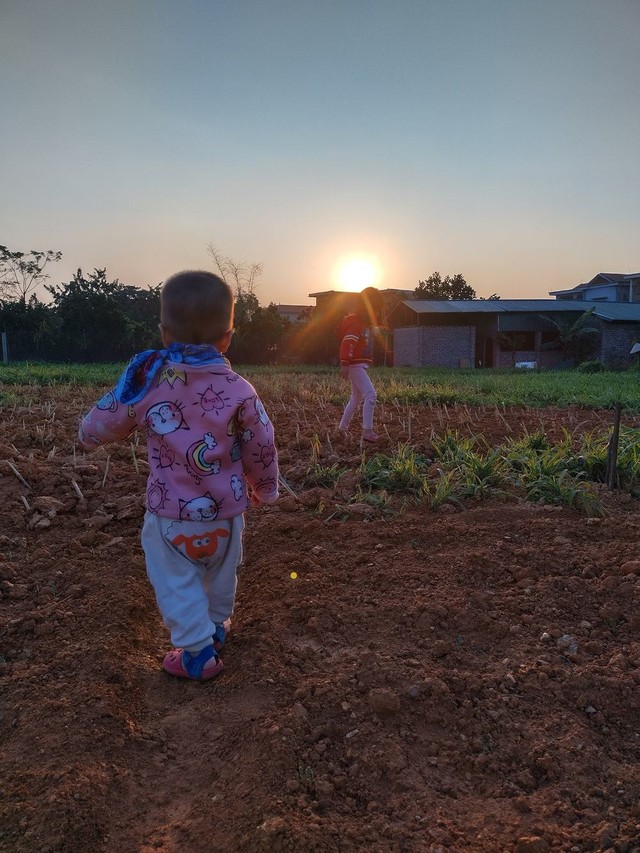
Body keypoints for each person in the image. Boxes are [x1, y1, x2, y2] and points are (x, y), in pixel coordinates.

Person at [78, 270, 279, 681]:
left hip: (170, 517)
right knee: (222, 574)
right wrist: (266, 487)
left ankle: (195, 652)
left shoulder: (149, 382)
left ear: (164, 333)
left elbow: (106, 420)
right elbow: (262, 443)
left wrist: (87, 435)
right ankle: (216, 627)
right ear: (228, 337)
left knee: (175, 580)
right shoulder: (241, 389)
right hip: (227, 515)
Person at [338, 286, 384, 442]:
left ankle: (342, 428)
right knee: (370, 395)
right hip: (354, 366)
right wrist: (345, 363)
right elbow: (347, 343)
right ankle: (367, 431)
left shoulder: (363, 324)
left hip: (357, 365)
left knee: (356, 398)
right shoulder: (355, 324)